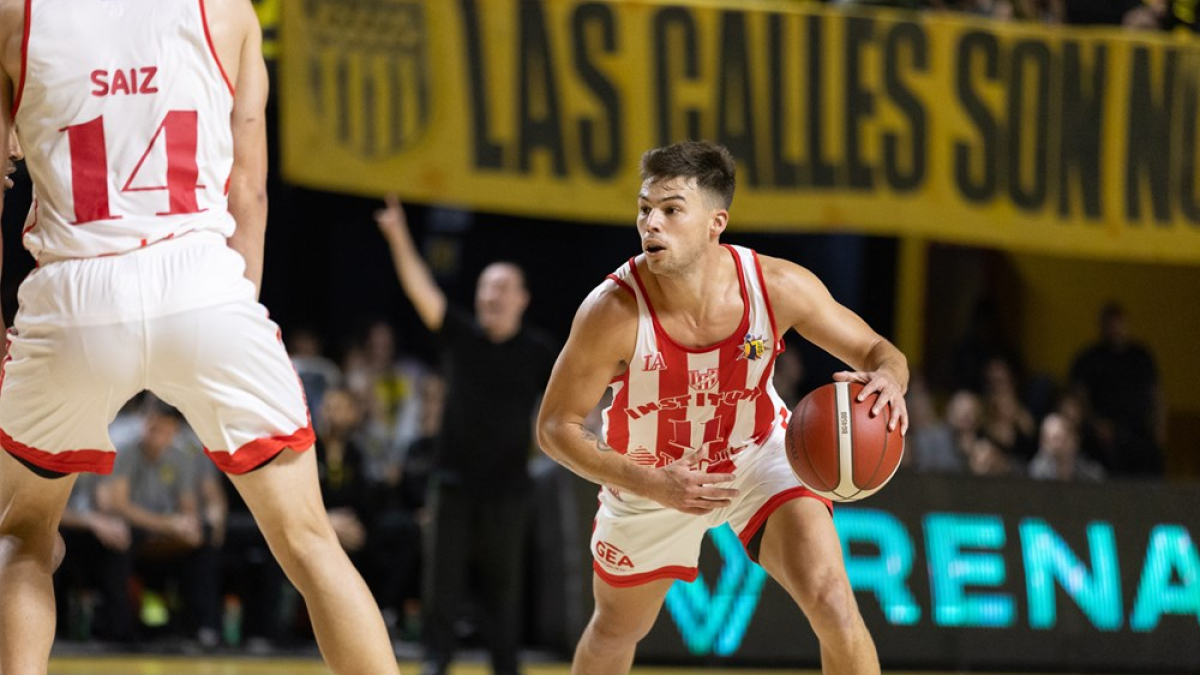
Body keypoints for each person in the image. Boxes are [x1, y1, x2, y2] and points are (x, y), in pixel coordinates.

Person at [0, 2, 401, 673]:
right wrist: (232, 311)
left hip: (77, 292)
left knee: (23, 532)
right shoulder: (228, 12)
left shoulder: (18, 14)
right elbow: (249, 192)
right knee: (308, 539)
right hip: (202, 284)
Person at [536, 140, 908, 675]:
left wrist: (890, 380)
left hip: (756, 453)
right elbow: (554, 427)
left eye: (670, 210)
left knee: (834, 604)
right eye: (645, 209)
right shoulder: (611, 311)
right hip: (649, 473)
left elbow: (880, 351)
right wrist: (654, 483)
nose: (651, 224)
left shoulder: (777, 286)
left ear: (716, 222)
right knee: (616, 630)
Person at [374, 198, 558, 675]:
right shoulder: (460, 337)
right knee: (441, 588)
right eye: (484, 287)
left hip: (508, 490)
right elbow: (420, 290)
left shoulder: (538, 351)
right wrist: (397, 235)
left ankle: (506, 667)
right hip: (452, 486)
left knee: (504, 593)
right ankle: (435, 664)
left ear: (522, 297)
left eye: (501, 287)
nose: (491, 295)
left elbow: (576, 396)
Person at [1068, 302, 1165, 477]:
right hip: (1101, 433)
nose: (1115, 330)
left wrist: (1160, 426)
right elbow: (1078, 397)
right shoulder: (1089, 358)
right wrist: (1096, 423)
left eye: (1119, 324)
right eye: (1110, 325)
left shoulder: (1141, 356)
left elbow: (1156, 394)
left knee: (1150, 466)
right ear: (1102, 326)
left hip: (1139, 432)